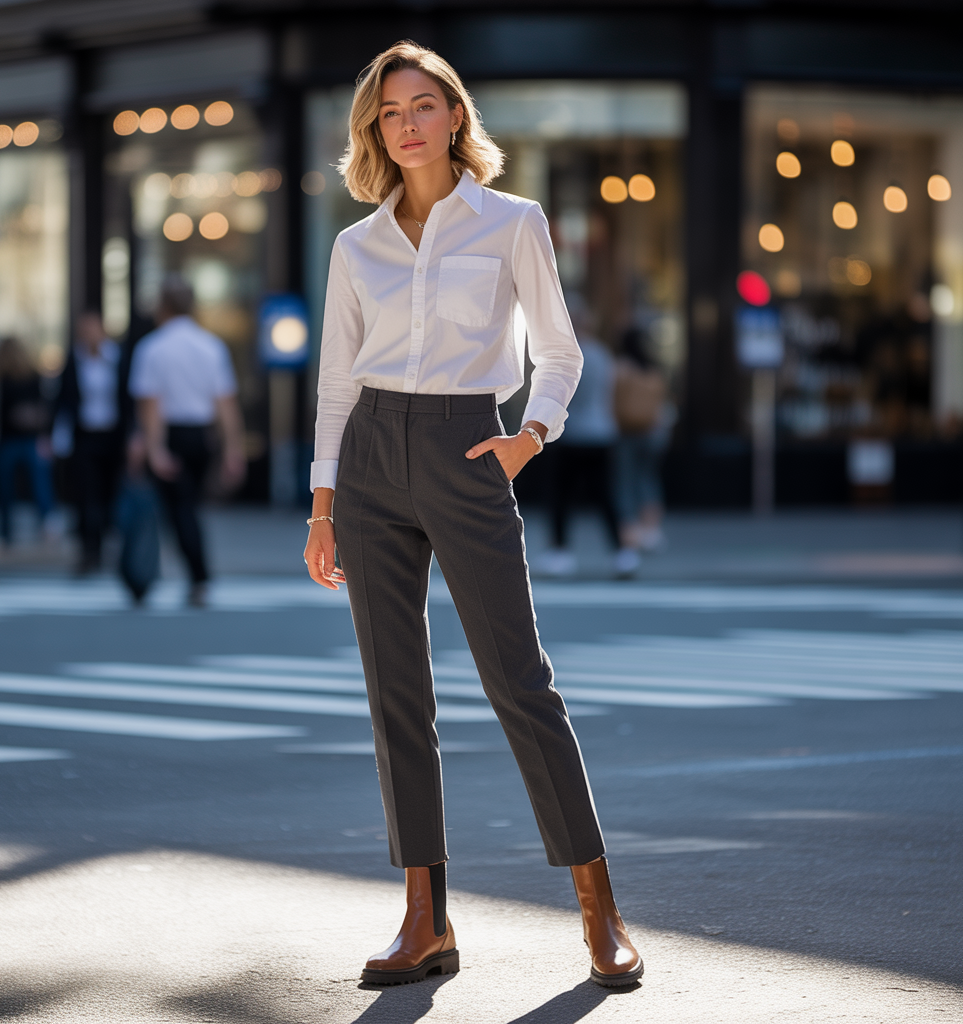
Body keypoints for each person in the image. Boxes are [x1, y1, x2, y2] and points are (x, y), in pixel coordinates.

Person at [304, 41, 643, 989]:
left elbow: (560, 351)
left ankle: (599, 910)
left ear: (456, 115)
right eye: (388, 111)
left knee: (518, 680)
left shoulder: (510, 222)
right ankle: (425, 919)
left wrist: (528, 436)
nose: (406, 124)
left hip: (466, 447)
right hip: (371, 457)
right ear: (375, 129)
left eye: (423, 106)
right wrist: (323, 503)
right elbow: (335, 380)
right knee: (394, 694)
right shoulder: (355, 244)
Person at [128, 276, 246, 607]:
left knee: (177, 511)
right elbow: (226, 404)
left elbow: (150, 405)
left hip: (171, 434)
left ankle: (195, 577)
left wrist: (154, 448)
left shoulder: (152, 348)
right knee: (188, 507)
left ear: (162, 306)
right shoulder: (211, 346)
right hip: (201, 435)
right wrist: (233, 449)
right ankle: (194, 577)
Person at [539, 294, 640, 578]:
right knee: (605, 495)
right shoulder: (603, 354)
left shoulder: (569, 357)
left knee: (561, 496)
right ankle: (623, 552)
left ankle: (560, 552)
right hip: (602, 432)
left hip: (571, 435)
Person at [53, 311, 130, 574]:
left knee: (111, 492)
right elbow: (62, 400)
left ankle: (110, 544)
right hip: (84, 436)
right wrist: (53, 436)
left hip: (113, 436)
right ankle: (89, 550)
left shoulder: (118, 358)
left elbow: (130, 399)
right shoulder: (74, 360)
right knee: (85, 495)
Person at [0, 336, 56, 546]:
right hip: (16, 440)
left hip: (19, 440)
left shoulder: (26, 378)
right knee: (28, 482)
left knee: (18, 484)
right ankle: (43, 524)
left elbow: (42, 409)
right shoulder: (5, 379)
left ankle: (9, 530)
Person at [614, 328, 670, 552]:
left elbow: (613, 400)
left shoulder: (622, 368)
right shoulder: (654, 370)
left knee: (625, 481)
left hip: (626, 432)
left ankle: (631, 533)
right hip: (653, 432)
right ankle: (652, 531)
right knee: (648, 479)